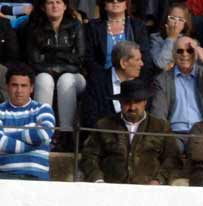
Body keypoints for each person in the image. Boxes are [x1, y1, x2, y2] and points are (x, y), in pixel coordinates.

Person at [81, 79, 182, 185]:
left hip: (149, 191)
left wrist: (158, 180)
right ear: (120, 102)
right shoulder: (104, 125)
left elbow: (173, 160)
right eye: (127, 102)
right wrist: (98, 179)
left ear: (145, 102)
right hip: (111, 189)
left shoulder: (161, 127)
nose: (132, 107)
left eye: (137, 102)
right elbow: (89, 156)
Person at [25, 0, 86, 148]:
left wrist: (52, 58)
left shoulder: (76, 26)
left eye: (58, 2)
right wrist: (63, 58)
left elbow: (80, 59)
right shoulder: (34, 27)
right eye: (50, 2)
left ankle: (66, 135)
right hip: (45, 74)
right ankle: (43, 134)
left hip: (74, 76)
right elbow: (34, 61)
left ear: (65, 6)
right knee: (44, 80)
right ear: (43, 7)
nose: (54, 6)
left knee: (65, 80)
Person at [151, 36, 203, 138]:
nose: (185, 54)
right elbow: (158, 112)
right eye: (180, 51)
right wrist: (164, 137)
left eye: (190, 51)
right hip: (173, 134)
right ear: (174, 54)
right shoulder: (162, 79)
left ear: (196, 53)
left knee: (198, 151)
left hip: (202, 134)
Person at [0, 63, 55, 180]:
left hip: (37, 177)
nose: (19, 90)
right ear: (7, 87)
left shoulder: (43, 109)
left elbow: (43, 134)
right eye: (14, 85)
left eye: (24, 86)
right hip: (5, 178)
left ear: (31, 88)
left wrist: (7, 134)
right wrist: (33, 144)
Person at [81, 40, 144, 129]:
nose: (142, 64)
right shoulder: (97, 83)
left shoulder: (141, 85)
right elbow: (90, 119)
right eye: (137, 60)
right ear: (123, 63)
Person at [84, 0, 154, 79]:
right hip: (103, 79)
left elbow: (145, 58)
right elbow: (89, 59)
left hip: (132, 79)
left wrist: (138, 81)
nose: (115, 1)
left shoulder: (137, 26)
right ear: (104, 3)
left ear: (126, 3)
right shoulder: (93, 27)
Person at [150, 1, 192, 72]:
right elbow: (161, 64)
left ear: (185, 24)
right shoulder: (156, 38)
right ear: (166, 19)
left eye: (180, 19)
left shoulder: (189, 42)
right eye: (172, 18)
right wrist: (171, 38)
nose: (176, 23)